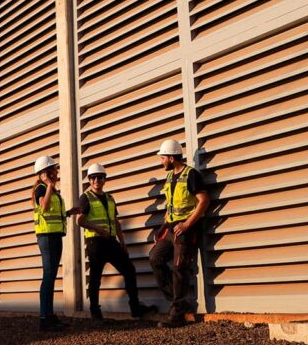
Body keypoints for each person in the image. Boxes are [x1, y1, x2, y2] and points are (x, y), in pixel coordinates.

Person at [76, 162, 157, 322]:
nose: (96, 180)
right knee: (95, 277)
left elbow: (116, 222)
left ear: (104, 179)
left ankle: (135, 308)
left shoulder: (110, 198)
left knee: (129, 270)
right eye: (93, 178)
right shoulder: (85, 198)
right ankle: (95, 312)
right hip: (95, 242)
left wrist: (123, 243)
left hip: (111, 242)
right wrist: (99, 229)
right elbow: (80, 221)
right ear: (89, 180)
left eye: (100, 177)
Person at [148, 139, 210, 328]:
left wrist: (187, 224)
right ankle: (179, 302)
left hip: (186, 229)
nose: (161, 161)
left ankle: (176, 316)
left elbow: (204, 201)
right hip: (170, 227)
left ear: (172, 158)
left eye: (163, 157)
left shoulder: (191, 174)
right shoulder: (169, 178)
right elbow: (171, 206)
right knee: (154, 258)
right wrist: (161, 229)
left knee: (179, 268)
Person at [32, 155, 79, 331]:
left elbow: (50, 213)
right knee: (48, 276)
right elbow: (43, 207)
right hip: (47, 237)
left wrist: (69, 212)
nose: (56, 171)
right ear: (45, 172)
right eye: (53, 169)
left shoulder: (50, 189)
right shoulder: (41, 189)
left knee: (50, 276)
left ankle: (49, 316)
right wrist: (50, 185)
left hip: (54, 235)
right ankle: (45, 318)